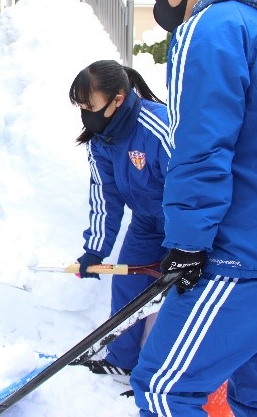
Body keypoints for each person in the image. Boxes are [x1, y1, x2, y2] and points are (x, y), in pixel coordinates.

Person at [133, 0, 257, 415]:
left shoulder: (211, 27)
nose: (158, 6)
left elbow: (202, 144)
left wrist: (189, 242)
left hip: (244, 250)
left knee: (163, 388)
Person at [69, 60, 169, 379]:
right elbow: (104, 196)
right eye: (82, 107)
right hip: (146, 223)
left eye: (91, 106)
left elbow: (191, 190)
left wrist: (186, 246)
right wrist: (95, 250)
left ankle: (158, 375)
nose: (86, 114)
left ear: (118, 99)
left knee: (172, 298)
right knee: (127, 285)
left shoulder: (160, 128)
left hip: (184, 223)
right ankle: (123, 359)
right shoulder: (102, 141)